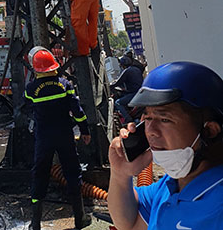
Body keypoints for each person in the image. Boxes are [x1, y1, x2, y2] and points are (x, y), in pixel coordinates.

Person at [108, 61, 223, 230]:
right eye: (147, 118)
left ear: (209, 130)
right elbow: (129, 223)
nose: (151, 131)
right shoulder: (171, 185)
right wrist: (120, 174)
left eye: (164, 119)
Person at [25, 46, 92, 230]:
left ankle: (35, 223)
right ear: (55, 66)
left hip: (43, 138)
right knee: (72, 172)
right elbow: (77, 112)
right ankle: (80, 218)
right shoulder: (65, 84)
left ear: (35, 68)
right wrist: (85, 130)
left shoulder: (31, 89)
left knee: (39, 174)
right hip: (64, 135)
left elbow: (27, 110)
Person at [110, 53, 143, 123]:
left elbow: (118, 82)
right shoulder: (136, 69)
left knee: (118, 103)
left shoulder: (127, 71)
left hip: (134, 93)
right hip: (140, 92)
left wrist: (110, 86)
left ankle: (128, 119)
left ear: (123, 65)